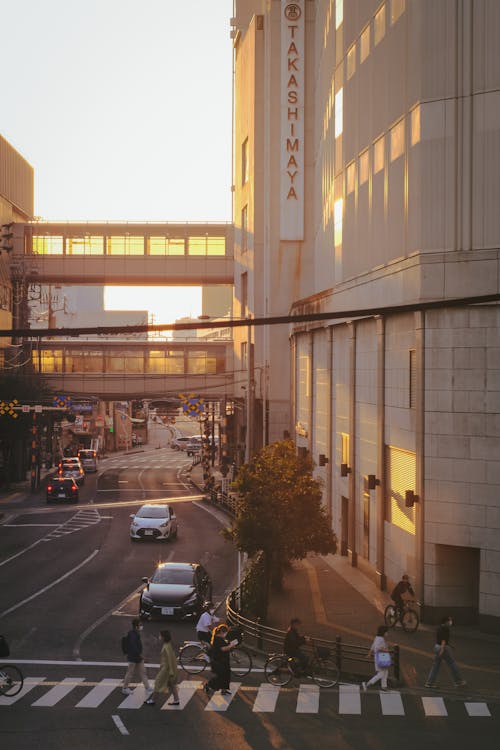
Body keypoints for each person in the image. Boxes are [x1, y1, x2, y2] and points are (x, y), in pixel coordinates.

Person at [425, 615, 466, 688]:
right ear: (446, 622)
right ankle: (458, 682)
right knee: (452, 664)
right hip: (443, 648)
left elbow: (441, 639)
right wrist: (442, 649)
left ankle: (429, 683)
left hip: (437, 647)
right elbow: (443, 640)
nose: (450, 622)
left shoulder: (439, 628)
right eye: (449, 621)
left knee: (435, 666)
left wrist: (450, 645)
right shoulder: (446, 629)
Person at [144, 630, 179, 706]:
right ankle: (176, 700)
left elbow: (170, 659)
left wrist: (171, 672)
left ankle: (152, 700)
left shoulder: (166, 647)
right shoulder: (167, 644)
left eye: (160, 636)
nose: (159, 637)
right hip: (167, 669)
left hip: (166, 670)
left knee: (157, 683)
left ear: (163, 637)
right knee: (171, 684)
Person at [203, 623, 237, 696]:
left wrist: (230, 645)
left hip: (224, 661)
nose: (226, 634)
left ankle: (224, 690)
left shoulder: (220, 638)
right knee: (220, 677)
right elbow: (223, 649)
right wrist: (231, 645)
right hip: (218, 661)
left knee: (226, 675)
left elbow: (225, 646)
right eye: (225, 632)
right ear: (221, 632)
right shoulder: (217, 640)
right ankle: (208, 685)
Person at [122, 618, 152, 695]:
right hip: (133, 657)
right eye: (140, 625)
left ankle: (147, 687)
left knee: (143, 672)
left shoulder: (135, 633)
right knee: (130, 673)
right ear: (136, 626)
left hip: (138, 657)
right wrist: (141, 655)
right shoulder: (133, 634)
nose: (141, 626)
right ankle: (125, 688)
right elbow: (134, 647)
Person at [362, 625, 391, 691]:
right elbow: (377, 648)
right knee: (381, 673)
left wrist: (369, 654)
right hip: (380, 658)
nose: (387, 633)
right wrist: (386, 650)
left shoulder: (378, 637)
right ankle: (367, 684)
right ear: (383, 632)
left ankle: (384, 686)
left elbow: (373, 646)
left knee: (385, 672)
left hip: (381, 657)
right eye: (386, 632)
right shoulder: (380, 639)